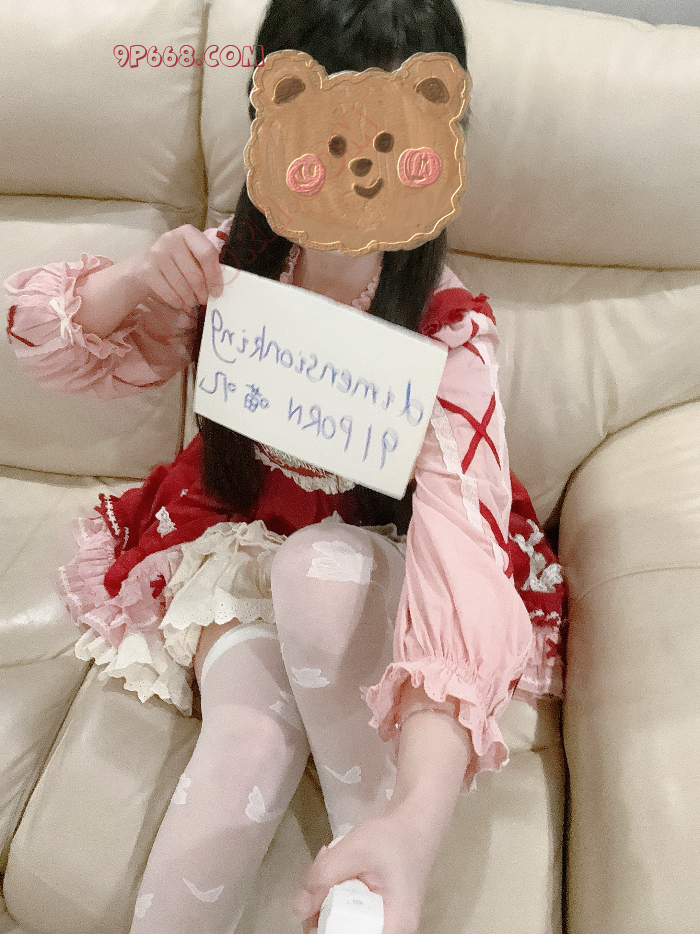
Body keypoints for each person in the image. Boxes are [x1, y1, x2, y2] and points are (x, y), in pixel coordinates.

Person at [4, 2, 566, 933]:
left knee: (318, 568)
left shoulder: (446, 331)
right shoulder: (234, 268)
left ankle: (373, 869)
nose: (356, 168)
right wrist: (141, 279)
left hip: (378, 558)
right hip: (239, 537)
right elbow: (47, 331)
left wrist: (414, 823)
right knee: (243, 746)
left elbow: (459, 547)